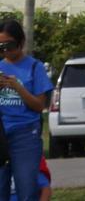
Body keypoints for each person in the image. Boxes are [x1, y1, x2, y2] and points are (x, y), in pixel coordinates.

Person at [0, 20, 52, 201]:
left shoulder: (35, 67)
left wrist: (18, 87)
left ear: (21, 42)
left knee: (27, 191)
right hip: (1, 133)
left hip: (25, 134)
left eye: (9, 45)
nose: (5, 51)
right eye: (0, 47)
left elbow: (39, 106)